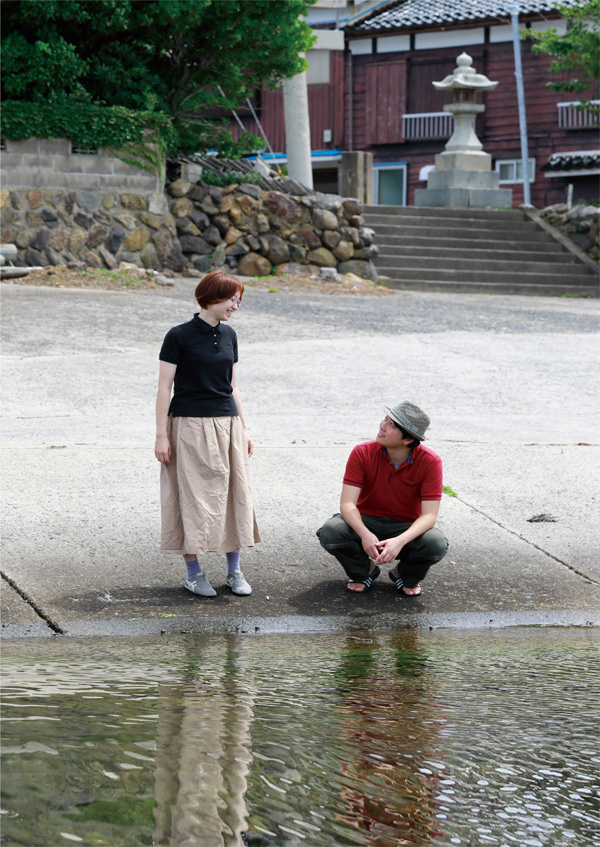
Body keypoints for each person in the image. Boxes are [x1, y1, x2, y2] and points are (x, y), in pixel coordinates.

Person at [154, 270, 260, 598]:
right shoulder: (178, 336)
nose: (235, 306)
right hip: (187, 425)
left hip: (227, 424)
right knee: (191, 498)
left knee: (234, 495)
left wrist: (244, 428)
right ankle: (193, 573)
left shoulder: (230, 336)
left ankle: (234, 571)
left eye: (239, 300)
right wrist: (161, 435)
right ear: (211, 297)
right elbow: (163, 388)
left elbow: (233, 386)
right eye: (231, 299)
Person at [317, 401, 448, 596]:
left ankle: (404, 575)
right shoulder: (362, 452)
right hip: (366, 520)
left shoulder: (430, 461)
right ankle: (364, 572)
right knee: (331, 531)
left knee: (435, 544)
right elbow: (347, 503)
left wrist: (400, 541)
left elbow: (429, 516)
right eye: (385, 420)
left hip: (405, 526)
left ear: (408, 440)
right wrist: (364, 534)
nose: (382, 425)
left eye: (392, 425)